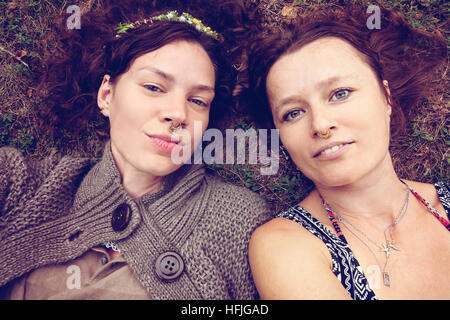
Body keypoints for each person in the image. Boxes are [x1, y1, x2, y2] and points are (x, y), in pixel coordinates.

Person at [0, 0, 272, 299]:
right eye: (154, 87)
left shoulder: (240, 221)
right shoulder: (26, 187)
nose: (178, 114)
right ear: (107, 94)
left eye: (197, 101)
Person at [245, 4, 449, 300]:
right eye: (293, 113)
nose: (321, 125)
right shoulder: (286, 245)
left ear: (386, 97)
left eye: (340, 94)